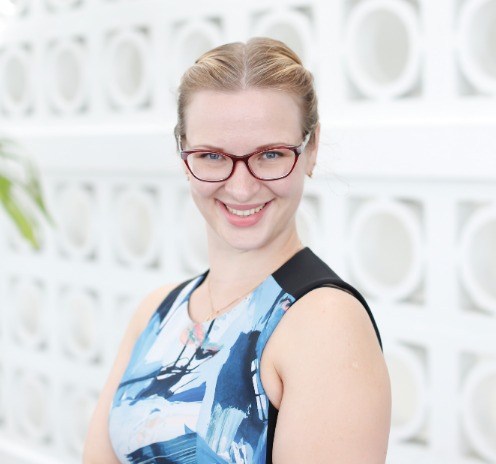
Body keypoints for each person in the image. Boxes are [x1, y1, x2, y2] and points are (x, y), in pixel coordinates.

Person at [83, 37, 391, 464]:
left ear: (312, 149)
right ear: (183, 154)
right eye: (212, 156)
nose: (242, 187)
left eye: (270, 154)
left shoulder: (325, 324)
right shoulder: (156, 313)